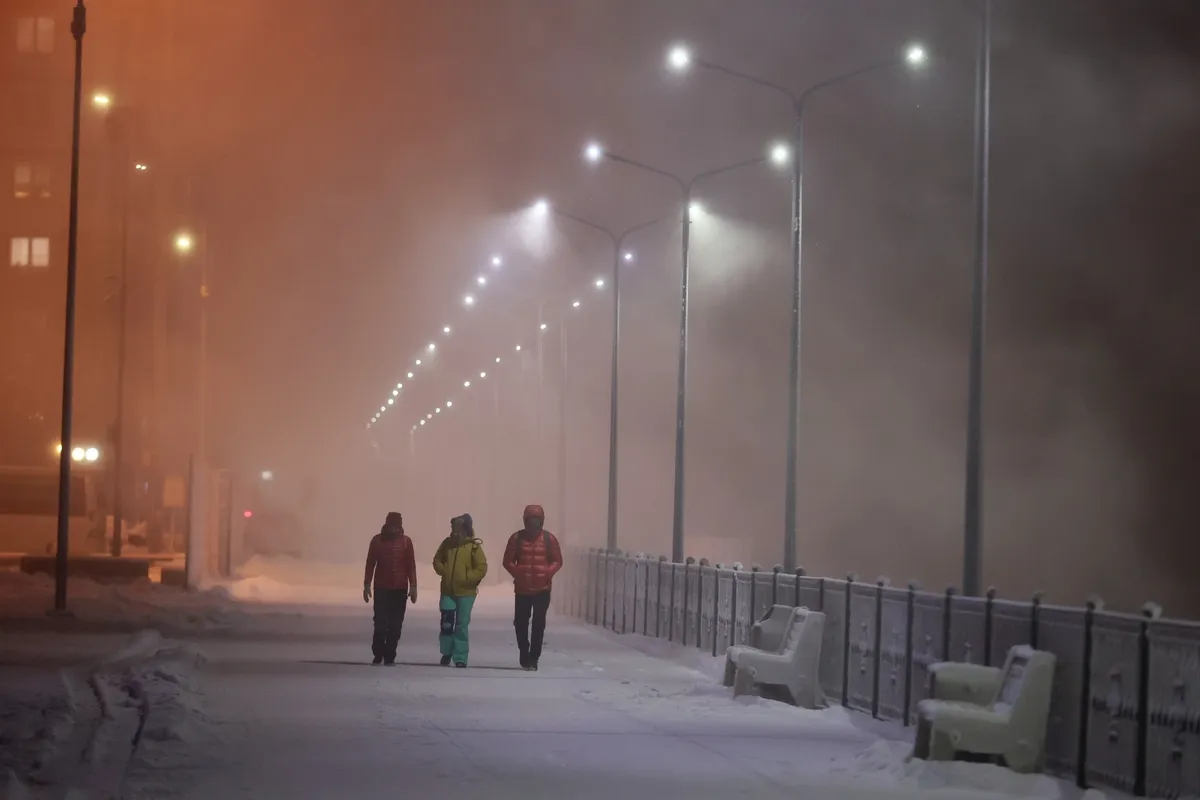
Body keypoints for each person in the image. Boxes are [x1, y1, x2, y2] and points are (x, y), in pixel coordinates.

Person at [502, 504, 563, 671]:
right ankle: (524, 651)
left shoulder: (549, 539)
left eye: (537, 520)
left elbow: (557, 561)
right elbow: (507, 561)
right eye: (531, 520)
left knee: (538, 623)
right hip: (522, 588)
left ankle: (534, 657)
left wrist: (547, 573)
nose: (533, 523)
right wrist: (518, 573)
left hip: (542, 588)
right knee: (520, 622)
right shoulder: (517, 538)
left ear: (541, 521)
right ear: (525, 520)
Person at [362, 511, 417, 666]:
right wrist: (367, 584)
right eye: (391, 525)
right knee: (380, 622)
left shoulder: (406, 542)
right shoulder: (377, 541)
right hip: (382, 588)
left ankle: (390, 654)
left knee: (395, 624)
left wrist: (413, 586)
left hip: (400, 588)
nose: (393, 529)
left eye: (396, 525)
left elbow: (410, 565)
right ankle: (378, 653)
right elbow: (370, 563)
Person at [432, 514, 487, 667]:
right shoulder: (447, 544)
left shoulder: (474, 547)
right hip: (447, 591)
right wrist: (444, 570)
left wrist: (467, 578)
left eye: (458, 526)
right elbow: (437, 560)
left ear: (465, 528)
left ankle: (460, 657)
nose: (454, 529)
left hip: (466, 593)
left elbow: (481, 567)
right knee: (447, 623)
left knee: (461, 625)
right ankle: (446, 652)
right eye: (453, 526)